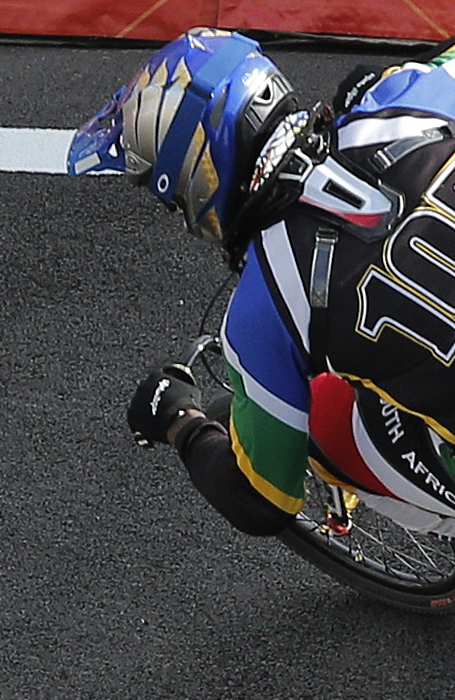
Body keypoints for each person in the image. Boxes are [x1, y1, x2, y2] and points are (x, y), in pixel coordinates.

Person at [73, 26, 455, 539]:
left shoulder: (262, 311)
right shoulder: (402, 97)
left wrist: (180, 422)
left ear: (199, 178)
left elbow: (261, 503)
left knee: (325, 420)